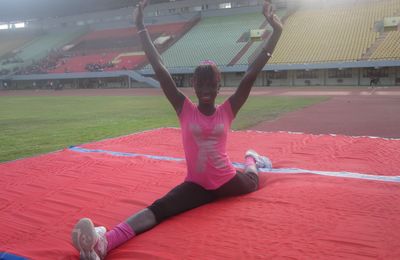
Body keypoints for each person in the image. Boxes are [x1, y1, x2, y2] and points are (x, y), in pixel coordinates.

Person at [71, 0, 282, 259]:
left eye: (211, 84)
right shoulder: (185, 109)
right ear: (193, 84)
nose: (206, 90)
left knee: (252, 180)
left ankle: (252, 158)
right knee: (158, 209)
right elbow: (160, 69)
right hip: (196, 185)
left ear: (219, 86)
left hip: (227, 180)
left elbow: (251, 74)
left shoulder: (228, 110)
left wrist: (276, 33)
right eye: (200, 83)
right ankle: (103, 244)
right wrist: (140, 26)